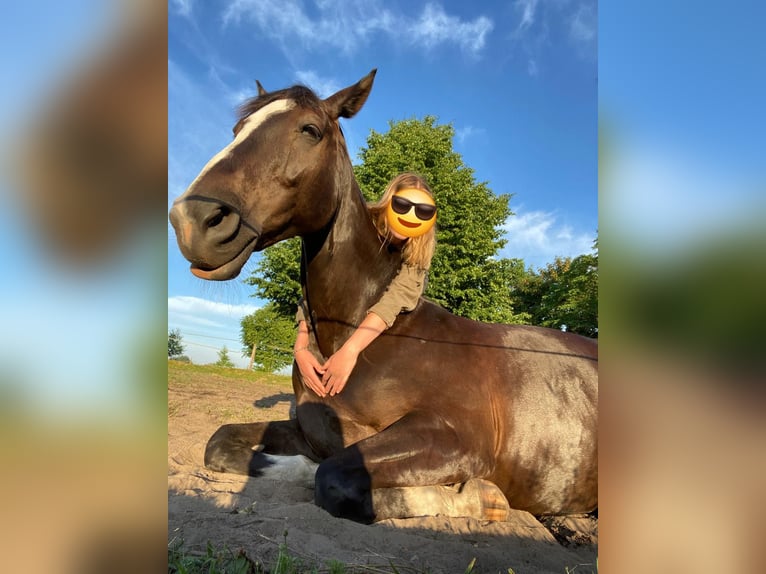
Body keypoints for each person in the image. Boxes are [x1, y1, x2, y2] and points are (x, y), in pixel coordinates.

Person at [293, 172, 437, 397]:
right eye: (402, 204)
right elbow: (319, 286)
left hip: (377, 337)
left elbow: (396, 299)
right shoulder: (358, 225)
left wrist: (350, 350)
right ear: (390, 201)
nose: (411, 215)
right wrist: (301, 346)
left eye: (424, 211)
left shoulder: (419, 253)